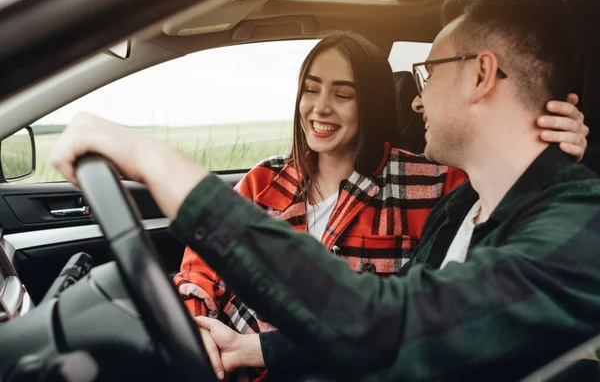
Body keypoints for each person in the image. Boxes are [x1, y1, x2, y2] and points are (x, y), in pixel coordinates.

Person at [50, 0, 600, 380]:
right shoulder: (462, 208)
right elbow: (383, 313)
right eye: (311, 90)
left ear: (481, 75)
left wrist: (153, 159)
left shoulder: (576, 226)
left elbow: (383, 322)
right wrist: (248, 351)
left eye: (429, 73)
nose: (417, 96)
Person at [171, 30, 588, 380]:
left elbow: (502, 188)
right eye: (311, 89)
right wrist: (195, 329)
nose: (320, 107)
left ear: (368, 102)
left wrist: (545, 143)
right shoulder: (265, 179)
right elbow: (199, 269)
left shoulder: (436, 183)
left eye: (343, 94)